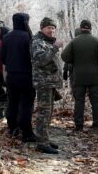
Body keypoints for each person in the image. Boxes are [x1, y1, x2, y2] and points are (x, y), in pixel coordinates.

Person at [61, 20, 98, 131]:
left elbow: (64, 56)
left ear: (81, 28)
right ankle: (97, 124)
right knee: (96, 101)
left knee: (79, 101)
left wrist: (74, 60)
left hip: (78, 77)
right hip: (94, 76)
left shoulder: (74, 42)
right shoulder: (96, 41)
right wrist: (96, 60)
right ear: (90, 28)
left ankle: (79, 125)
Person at [0, 13, 36, 142]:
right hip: (27, 76)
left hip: (11, 76)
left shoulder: (6, 37)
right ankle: (27, 133)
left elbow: (2, 58)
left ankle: (13, 129)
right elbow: (34, 58)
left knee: (12, 103)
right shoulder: (28, 37)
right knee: (26, 104)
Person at [31, 17, 63, 154]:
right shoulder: (37, 42)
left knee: (48, 112)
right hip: (43, 83)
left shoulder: (47, 42)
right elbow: (41, 60)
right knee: (43, 112)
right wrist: (55, 48)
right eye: (49, 28)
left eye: (53, 28)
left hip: (49, 83)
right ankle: (42, 143)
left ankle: (45, 139)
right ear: (42, 28)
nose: (52, 30)